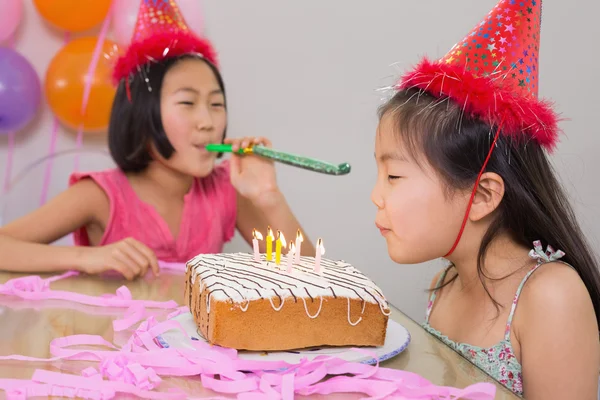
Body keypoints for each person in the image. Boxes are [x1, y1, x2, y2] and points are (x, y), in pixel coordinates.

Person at [371, 0, 600, 398]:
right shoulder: (447, 282)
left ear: (481, 195)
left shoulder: (551, 297)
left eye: (393, 176)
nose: (376, 196)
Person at [0, 0, 313, 279]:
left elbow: (309, 278)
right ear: (142, 113)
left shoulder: (226, 190)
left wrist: (269, 198)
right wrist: (85, 257)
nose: (208, 122)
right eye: (188, 103)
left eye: (216, 104)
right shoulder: (99, 195)